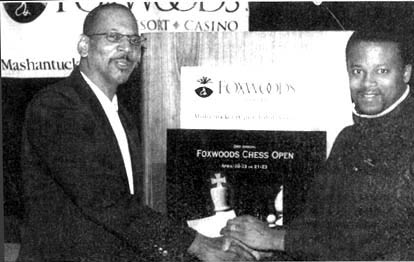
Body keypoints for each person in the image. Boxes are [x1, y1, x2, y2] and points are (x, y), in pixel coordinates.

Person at [19, 3, 257, 261]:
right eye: (113, 37)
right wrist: (196, 244)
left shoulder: (123, 116)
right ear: (84, 46)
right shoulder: (56, 106)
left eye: (134, 41)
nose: (126, 49)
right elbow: (103, 199)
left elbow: (132, 207)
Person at [221, 31, 414, 260]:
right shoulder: (348, 138)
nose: (367, 83)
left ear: (405, 73)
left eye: (382, 71)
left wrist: (277, 240)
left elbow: (384, 246)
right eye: (357, 71)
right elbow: (316, 223)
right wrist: (265, 246)